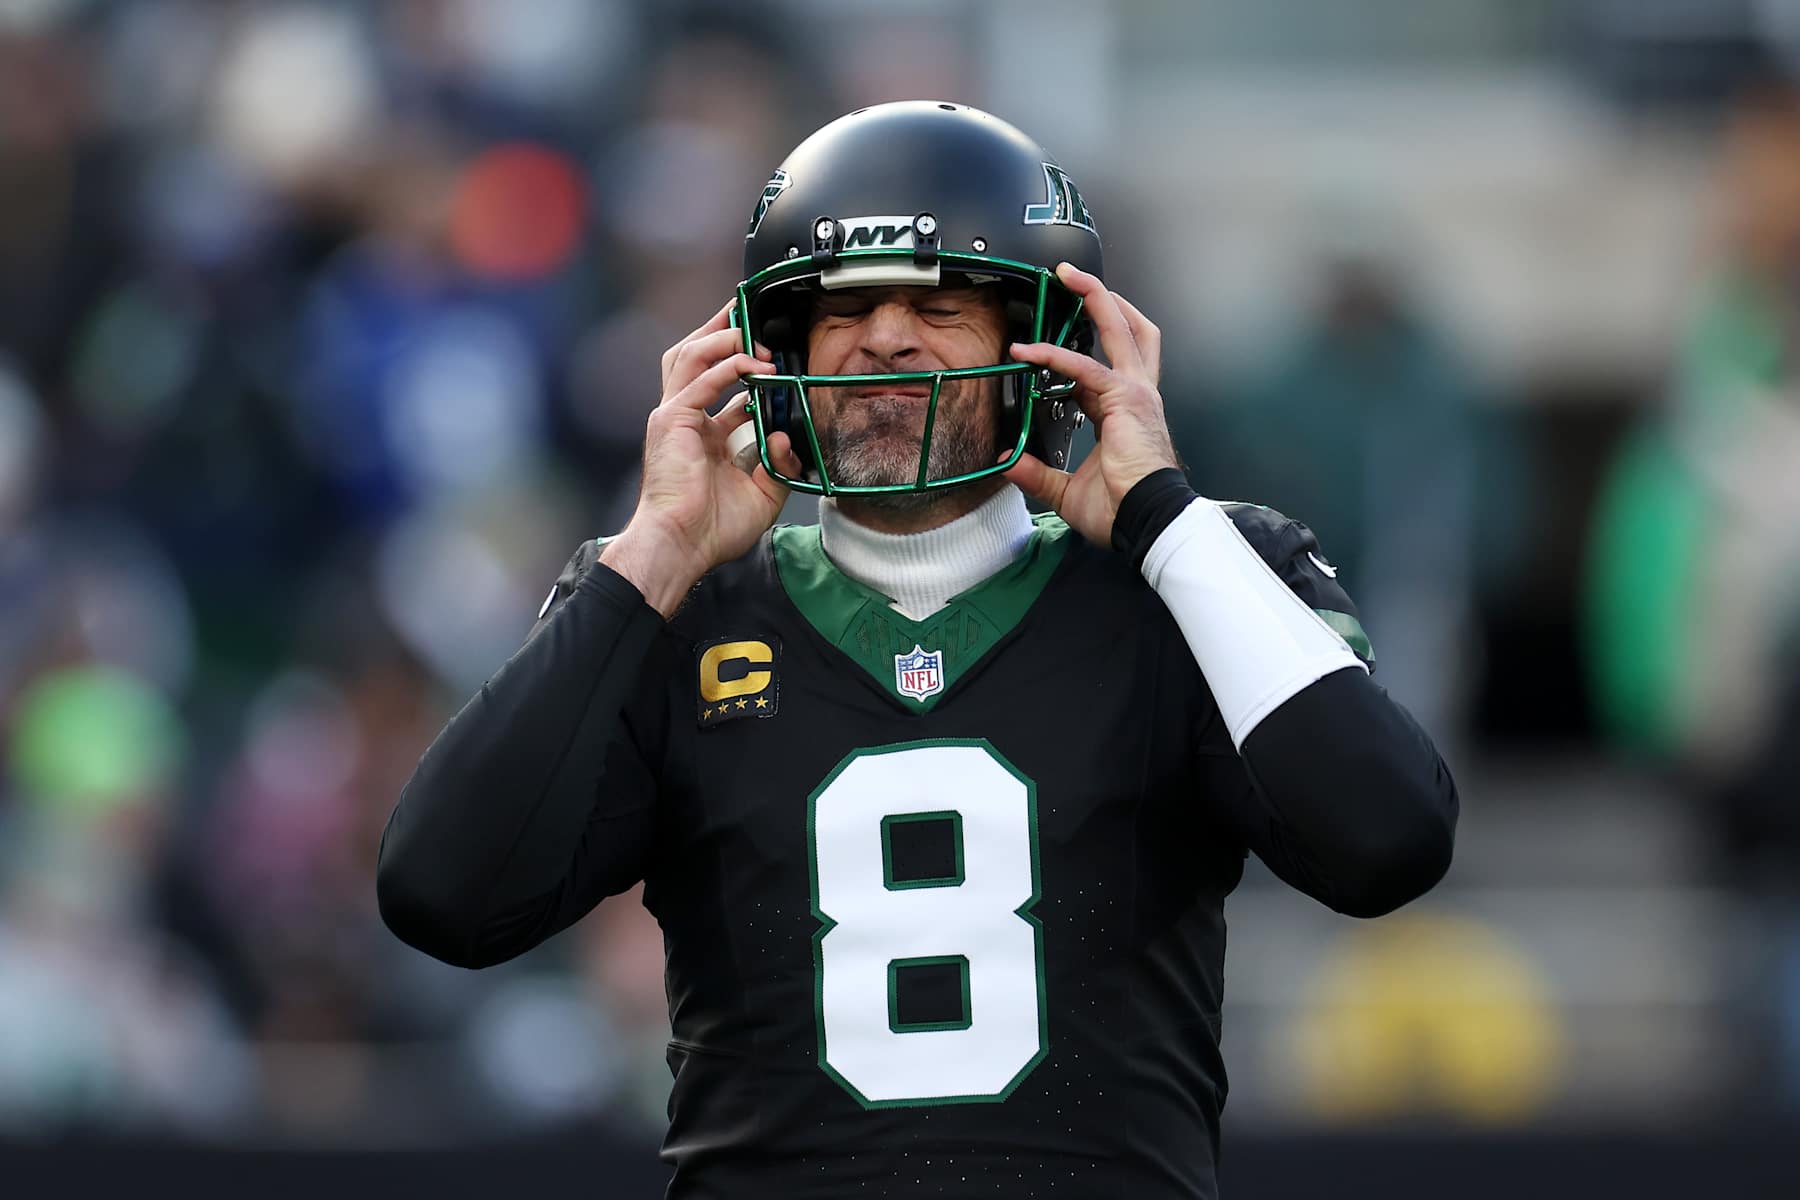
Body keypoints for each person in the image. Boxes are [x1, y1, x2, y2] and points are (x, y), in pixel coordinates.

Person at [377, 101, 1458, 1199]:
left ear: (1040, 347)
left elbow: (1389, 840)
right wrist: (652, 552)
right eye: (843, 306)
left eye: (941, 304)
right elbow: (443, 895)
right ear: (777, 349)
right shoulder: (675, 607)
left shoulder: (1198, 578)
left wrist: (1166, 522)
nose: (886, 337)